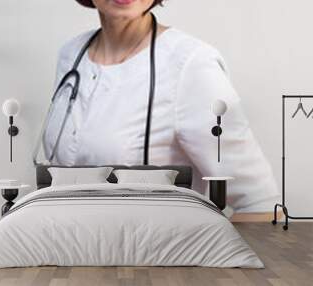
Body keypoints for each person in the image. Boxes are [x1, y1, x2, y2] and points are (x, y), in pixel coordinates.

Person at [43, 0, 279, 220]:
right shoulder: (72, 53)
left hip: (149, 257)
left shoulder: (190, 64)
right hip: (71, 252)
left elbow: (260, 204)